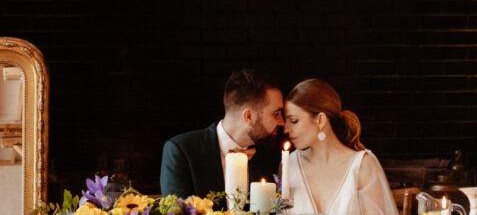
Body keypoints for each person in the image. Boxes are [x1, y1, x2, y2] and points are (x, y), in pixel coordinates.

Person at [160, 69, 284, 198]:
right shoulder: (181, 151)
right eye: (276, 114)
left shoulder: (268, 156)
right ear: (248, 116)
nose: (282, 122)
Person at [284, 79, 395, 215]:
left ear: (320, 120)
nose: (286, 129)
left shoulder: (362, 165)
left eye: (294, 121)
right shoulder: (290, 165)